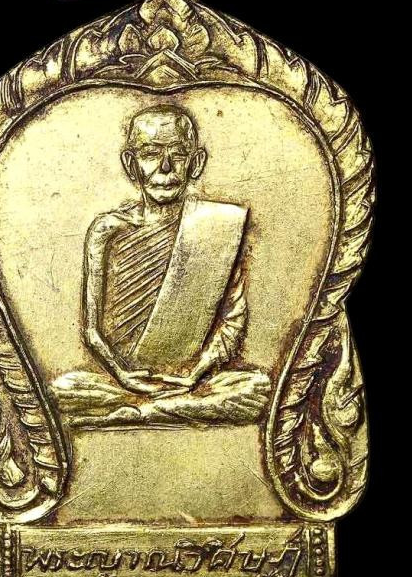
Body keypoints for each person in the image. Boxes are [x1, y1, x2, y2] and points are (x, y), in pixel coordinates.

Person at [49, 105, 270, 426]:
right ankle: (153, 409)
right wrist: (122, 375)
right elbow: (91, 331)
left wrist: (195, 374)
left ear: (196, 163)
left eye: (178, 154)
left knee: (256, 387)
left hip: (193, 382)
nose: (165, 167)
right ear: (131, 164)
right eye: (151, 154)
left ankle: (140, 412)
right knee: (63, 390)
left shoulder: (217, 227)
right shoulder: (108, 230)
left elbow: (232, 321)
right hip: (119, 381)